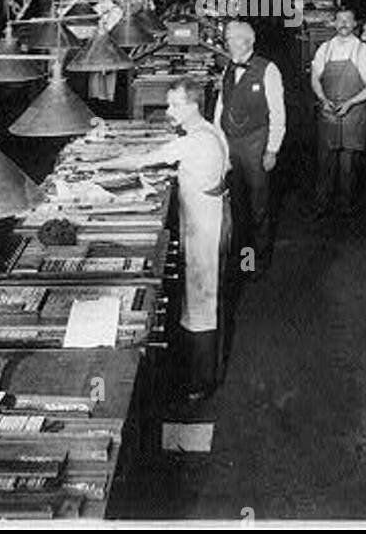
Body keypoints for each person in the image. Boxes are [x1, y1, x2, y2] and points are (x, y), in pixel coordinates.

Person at [99, 77, 230, 400]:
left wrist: (99, 164)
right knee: (202, 299)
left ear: (193, 105)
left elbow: (144, 160)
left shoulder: (196, 139)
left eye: (175, 105)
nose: (169, 110)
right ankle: (198, 371)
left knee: (201, 301)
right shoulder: (210, 130)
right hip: (211, 218)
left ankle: (201, 382)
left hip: (205, 227)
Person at [215, 21, 286, 277]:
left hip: (256, 145)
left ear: (248, 41)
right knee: (236, 204)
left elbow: (278, 113)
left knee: (259, 206)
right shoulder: (228, 67)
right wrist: (219, 142)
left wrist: (272, 150)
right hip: (231, 144)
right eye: (228, 39)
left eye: (232, 39)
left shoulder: (268, 70)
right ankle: (239, 257)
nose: (227, 43)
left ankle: (260, 259)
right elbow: (220, 107)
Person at [310, 8, 366, 218]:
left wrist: (350, 103)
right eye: (340, 20)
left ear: (355, 23)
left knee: (349, 165)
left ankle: (346, 209)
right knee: (325, 162)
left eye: (348, 20)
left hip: (353, 115)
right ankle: (322, 206)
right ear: (334, 23)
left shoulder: (363, 51)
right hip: (329, 113)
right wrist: (322, 98)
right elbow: (314, 78)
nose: (343, 24)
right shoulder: (325, 49)